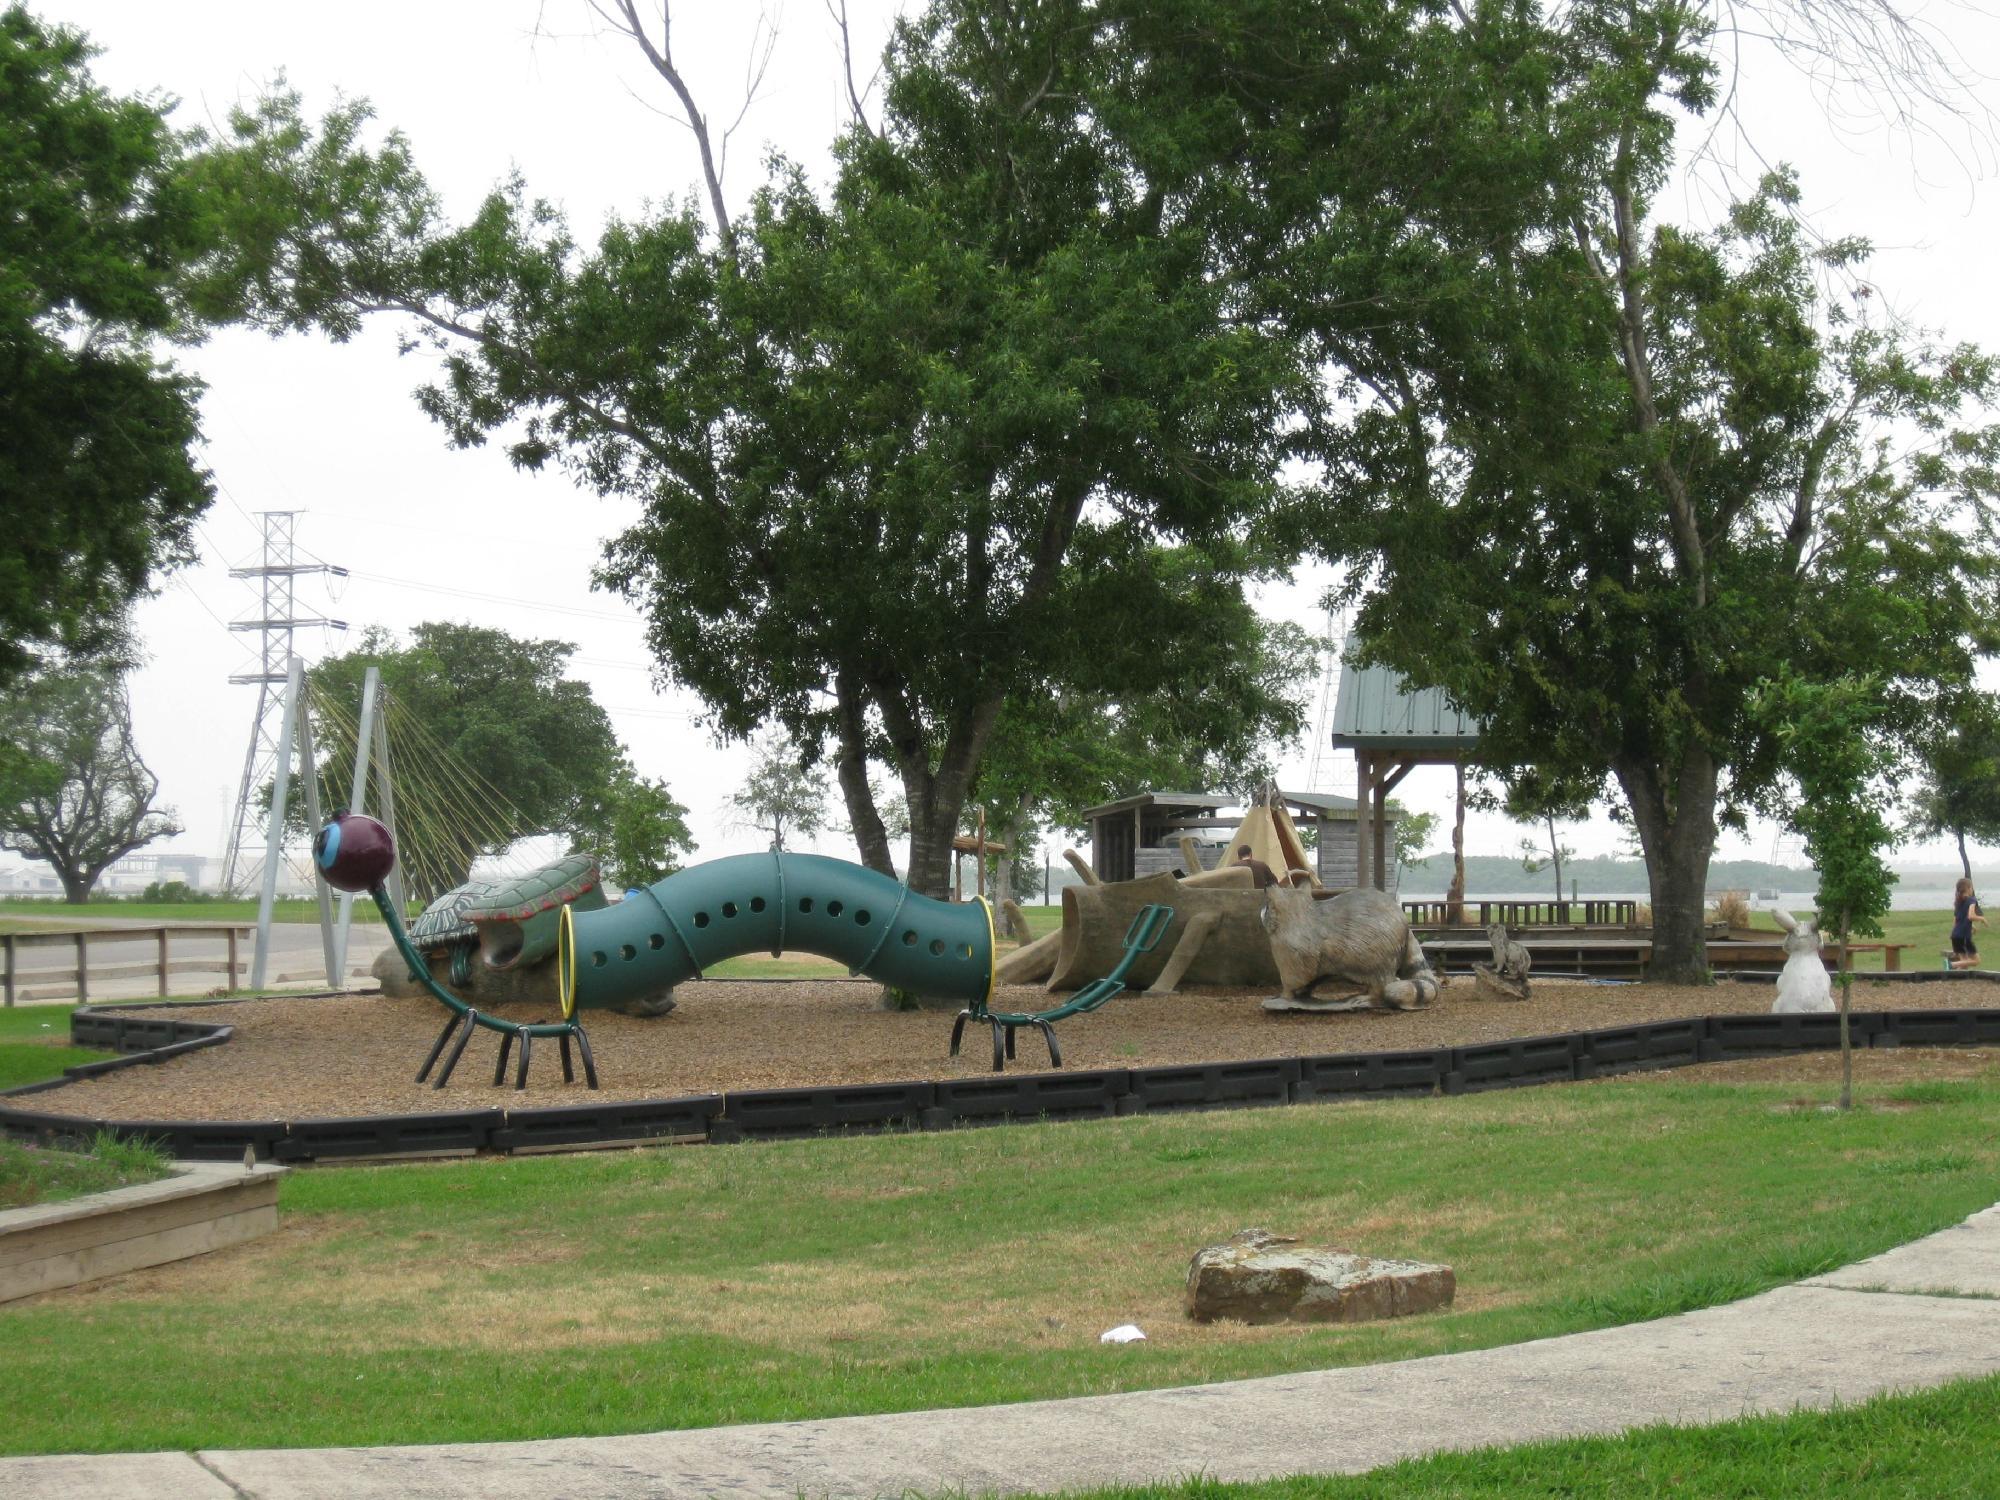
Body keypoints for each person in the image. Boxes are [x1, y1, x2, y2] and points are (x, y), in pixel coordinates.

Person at [1950, 877, 1986, 969]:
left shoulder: (1958, 903)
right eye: (1972, 888)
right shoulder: (1971, 900)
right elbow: (1971, 916)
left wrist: (1972, 927)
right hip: (1964, 937)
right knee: (1976, 961)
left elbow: (1957, 921)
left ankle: (1953, 979)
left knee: (1964, 964)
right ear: (1969, 888)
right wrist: (1982, 918)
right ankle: (1951, 965)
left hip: (1955, 936)